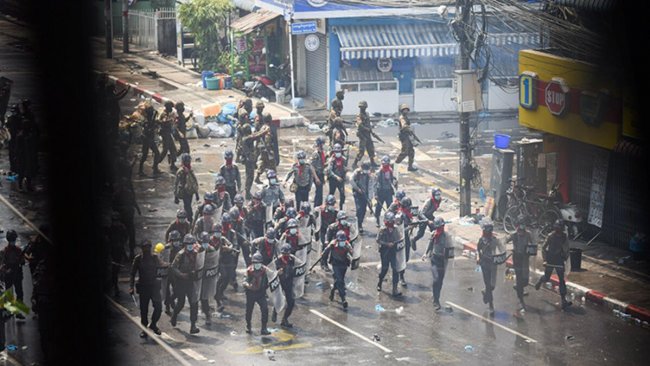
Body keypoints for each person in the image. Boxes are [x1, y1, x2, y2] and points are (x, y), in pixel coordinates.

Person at [534, 219, 572, 309]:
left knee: (561, 280)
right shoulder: (550, 236)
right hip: (550, 259)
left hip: (559, 260)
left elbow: (566, 249)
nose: (558, 229)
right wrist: (545, 260)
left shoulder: (564, 237)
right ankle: (540, 281)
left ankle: (563, 300)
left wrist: (566, 259)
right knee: (547, 277)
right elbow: (543, 248)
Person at [129, 240, 164, 336]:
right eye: (145, 247)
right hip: (144, 287)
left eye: (148, 247)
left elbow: (162, 266)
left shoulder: (154, 258)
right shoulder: (138, 259)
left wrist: (168, 266)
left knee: (158, 307)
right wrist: (131, 287)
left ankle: (153, 324)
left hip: (154, 287)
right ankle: (144, 329)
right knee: (144, 310)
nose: (147, 249)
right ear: (142, 248)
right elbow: (132, 273)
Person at [170, 235, 201, 334]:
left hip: (191, 281)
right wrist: (181, 275)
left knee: (194, 303)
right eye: (188, 244)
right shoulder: (181, 254)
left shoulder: (196, 254)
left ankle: (193, 325)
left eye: (192, 244)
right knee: (181, 303)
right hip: (181, 281)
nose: (190, 246)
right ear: (185, 244)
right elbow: (173, 267)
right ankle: (174, 315)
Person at [422, 218, 450, 310]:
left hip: (442, 261)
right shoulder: (434, 234)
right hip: (434, 259)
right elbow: (430, 244)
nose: (441, 228)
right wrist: (425, 254)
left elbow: (450, 248)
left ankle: (436, 296)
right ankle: (436, 300)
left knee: (440, 281)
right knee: (436, 279)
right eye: (439, 227)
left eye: (442, 226)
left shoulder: (446, 236)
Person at [507, 220, 533, 311]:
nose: (521, 233)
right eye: (519, 231)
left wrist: (531, 250)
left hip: (525, 258)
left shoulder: (528, 234)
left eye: (522, 231)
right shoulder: (513, 235)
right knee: (519, 277)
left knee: (525, 279)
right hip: (517, 258)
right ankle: (520, 298)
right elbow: (505, 241)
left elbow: (533, 244)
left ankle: (519, 287)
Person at [476, 219, 501, 314]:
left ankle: (485, 292)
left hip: (493, 264)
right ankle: (491, 305)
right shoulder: (481, 240)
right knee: (488, 284)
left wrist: (501, 256)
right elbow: (477, 250)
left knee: (492, 285)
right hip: (484, 264)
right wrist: (478, 258)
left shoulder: (495, 240)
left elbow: (501, 248)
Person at [272, 244, 300, 327]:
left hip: (289, 283)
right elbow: (271, 272)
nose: (286, 255)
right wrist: (277, 272)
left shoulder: (293, 259)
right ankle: (275, 311)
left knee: (291, 302)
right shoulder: (277, 260)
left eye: (287, 253)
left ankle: (285, 319)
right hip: (280, 283)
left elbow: (300, 266)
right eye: (284, 253)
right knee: (278, 300)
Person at [323, 230, 353, 309]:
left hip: (343, 264)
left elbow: (352, 252)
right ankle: (343, 299)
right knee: (340, 281)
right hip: (335, 264)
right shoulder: (332, 244)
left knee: (340, 280)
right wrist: (323, 260)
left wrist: (354, 257)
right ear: (337, 239)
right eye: (341, 240)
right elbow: (325, 252)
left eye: (343, 240)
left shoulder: (347, 244)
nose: (342, 242)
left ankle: (333, 290)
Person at [113, 177, 141, 259]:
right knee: (124, 236)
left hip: (127, 217)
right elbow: (114, 206)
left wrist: (138, 209)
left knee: (130, 235)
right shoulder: (117, 194)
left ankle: (130, 251)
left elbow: (133, 201)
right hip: (123, 218)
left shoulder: (125, 193)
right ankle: (125, 252)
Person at [243, 253, 271, 335]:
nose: (257, 264)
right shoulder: (249, 271)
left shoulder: (265, 270)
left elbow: (272, 275)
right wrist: (248, 285)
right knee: (249, 310)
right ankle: (248, 325)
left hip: (261, 293)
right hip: (251, 293)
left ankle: (264, 328)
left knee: (265, 309)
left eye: (258, 262)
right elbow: (244, 281)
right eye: (255, 263)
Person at [0, 230, 25, 319]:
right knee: (9, 294)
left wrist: (20, 261)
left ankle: (17, 311)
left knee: (19, 293)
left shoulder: (18, 250)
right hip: (9, 275)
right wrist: (6, 270)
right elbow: (1, 265)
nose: (13, 241)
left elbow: (22, 262)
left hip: (17, 274)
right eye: (12, 239)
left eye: (13, 239)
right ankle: (11, 311)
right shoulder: (4, 251)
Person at [215, 220, 239, 312]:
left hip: (223, 261)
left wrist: (228, 248)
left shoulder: (222, 239)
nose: (218, 234)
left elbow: (231, 245)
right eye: (216, 232)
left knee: (227, 277)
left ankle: (220, 292)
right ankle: (217, 296)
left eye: (219, 232)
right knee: (220, 277)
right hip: (213, 262)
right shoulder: (209, 240)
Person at [376, 212, 402, 297]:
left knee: (395, 269)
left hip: (393, 251)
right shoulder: (382, 229)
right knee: (385, 269)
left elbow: (400, 238)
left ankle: (395, 289)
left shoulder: (396, 229)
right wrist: (387, 244)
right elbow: (378, 240)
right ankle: (379, 282)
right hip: (385, 251)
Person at [248, 113, 276, 184]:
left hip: (261, 148)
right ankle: (274, 178)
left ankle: (257, 177)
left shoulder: (263, 127)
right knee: (272, 163)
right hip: (266, 149)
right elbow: (267, 140)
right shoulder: (267, 128)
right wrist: (270, 150)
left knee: (262, 163)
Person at [198, 232, 219, 325]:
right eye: (203, 242)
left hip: (207, 277)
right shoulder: (197, 250)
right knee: (196, 297)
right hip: (197, 277)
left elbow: (215, 262)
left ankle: (207, 315)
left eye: (206, 242)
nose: (205, 244)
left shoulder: (211, 250)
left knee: (204, 297)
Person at [235, 109, 255, 199]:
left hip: (246, 157)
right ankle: (247, 192)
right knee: (250, 176)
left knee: (249, 175)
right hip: (249, 159)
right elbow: (256, 135)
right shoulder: (247, 138)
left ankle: (247, 191)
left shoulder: (244, 136)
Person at [138, 103, 162, 176]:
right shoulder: (147, 121)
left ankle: (153, 168)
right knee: (148, 155)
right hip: (147, 139)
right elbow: (147, 130)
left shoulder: (150, 119)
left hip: (149, 139)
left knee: (148, 155)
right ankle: (143, 170)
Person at [353, 101, 378, 168]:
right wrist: (367, 129)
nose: (362, 108)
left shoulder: (367, 114)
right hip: (362, 135)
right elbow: (360, 125)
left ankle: (372, 162)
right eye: (361, 107)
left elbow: (368, 124)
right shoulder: (359, 115)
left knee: (371, 149)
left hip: (368, 134)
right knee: (361, 151)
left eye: (363, 107)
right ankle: (355, 163)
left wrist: (371, 131)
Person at [174, 153, 200, 220]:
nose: (188, 163)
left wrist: (197, 194)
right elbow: (176, 183)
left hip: (190, 191)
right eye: (187, 161)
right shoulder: (180, 172)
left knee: (188, 205)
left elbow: (194, 182)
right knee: (187, 205)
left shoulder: (190, 171)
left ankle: (188, 218)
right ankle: (189, 218)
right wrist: (176, 196)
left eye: (188, 161)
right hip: (184, 191)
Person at [163, 230, 183, 314]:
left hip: (176, 273)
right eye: (174, 240)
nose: (176, 242)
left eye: (177, 240)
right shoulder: (166, 249)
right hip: (167, 272)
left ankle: (171, 300)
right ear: (170, 241)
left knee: (177, 290)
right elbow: (162, 259)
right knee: (166, 290)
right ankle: (167, 306)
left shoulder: (181, 248)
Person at [396, 197, 414, 288]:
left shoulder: (407, 214)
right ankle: (400, 277)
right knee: (401, 258)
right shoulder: (400, 215)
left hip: (406, 238)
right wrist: (409, 228)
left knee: (406, 258)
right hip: (400, 239)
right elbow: (399, 230)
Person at [374, 156, 397, 227]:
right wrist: (376, 194)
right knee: (378, 207)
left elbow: (393, 180)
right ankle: (377, 219)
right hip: (381, 192)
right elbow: (375, 183)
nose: (384, 165)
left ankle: (389, 220)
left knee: (390, 206)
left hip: (388, 192)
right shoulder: (379, 172)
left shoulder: (390, 170)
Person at [317, 194, 339, 272]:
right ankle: (323, 263)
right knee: (325, 246)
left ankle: (330, 261)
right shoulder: (321, 210)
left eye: (332, 204)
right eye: (330, 204)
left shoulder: (336, 212)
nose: (331, 206)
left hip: (331, 232)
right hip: (323, 230)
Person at [395, 104, 418, 172]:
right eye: (404, 110)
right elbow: (404, 126)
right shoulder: (402, 118)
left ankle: (410, 166)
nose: (406, 111)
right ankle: (395, 164)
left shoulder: (405, 117)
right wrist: (409, 129)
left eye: (407, 110)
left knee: (411, 152)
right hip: (404, 137)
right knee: (405, 152)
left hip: (407, 136)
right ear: (402, 111)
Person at [351, 163, 373, 233]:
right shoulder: (356, 173)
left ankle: (360, 222)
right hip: (357, 193)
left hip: (365, 194)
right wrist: (357, 189)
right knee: (359, 209)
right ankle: (358, 224)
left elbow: (370, 187)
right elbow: (351, 181)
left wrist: (370, 199)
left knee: (363, 210)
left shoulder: (369, 176)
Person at [157, 101, 178, 171]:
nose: (171, 109)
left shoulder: (168, 113)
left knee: (172, 150)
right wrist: (170, 120)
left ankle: (172, 165)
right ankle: (155, 164)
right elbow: (162, 122)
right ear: (167, 107)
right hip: (165, 134)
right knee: (166, 150)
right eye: (170, 107)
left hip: (167, 134)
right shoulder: (164, 114)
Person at [327, 143, 347, 210]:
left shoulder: (343, 159)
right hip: (333, 179)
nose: (337, 153)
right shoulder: (331, 160)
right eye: (336, 152)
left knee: (342, 194)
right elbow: (329, 171)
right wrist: (336, 177)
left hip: (341, 179)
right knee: (331, 194)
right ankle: (328, 206)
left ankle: (341, 207)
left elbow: (344, 168)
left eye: (339, 152)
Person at [311, 137, 327, 208]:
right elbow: (312, 166)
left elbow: (323, 164)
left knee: (320, 192)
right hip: (317, 174)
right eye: (322, 144)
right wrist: (316, 178)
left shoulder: (322, 153)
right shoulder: (316, 154)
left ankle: (318, 206)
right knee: (318, 192)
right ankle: (316, 207)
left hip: (321, 174)